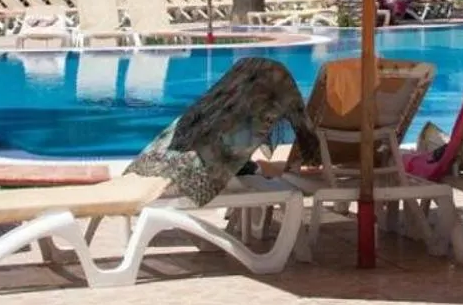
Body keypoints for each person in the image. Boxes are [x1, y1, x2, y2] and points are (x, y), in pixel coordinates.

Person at [125, 57, 318, 204]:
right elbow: (309, 144)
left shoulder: (206, 115)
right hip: (194, 183)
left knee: (251, 168)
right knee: (292, 197)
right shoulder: (227, 133)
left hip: (167, 176)